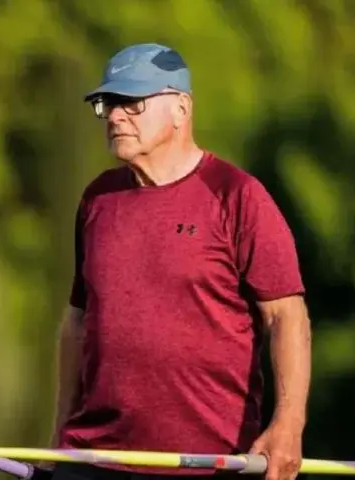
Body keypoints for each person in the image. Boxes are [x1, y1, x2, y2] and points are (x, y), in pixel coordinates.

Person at [47, 43, 312, 480]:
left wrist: (288, 424)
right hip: (93, 456)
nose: (114, 116)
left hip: (209, 462)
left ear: (180, 108)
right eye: (107, 104)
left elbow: (287, 316)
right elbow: (78, 321)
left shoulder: (237, 196)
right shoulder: (98, 199)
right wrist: (59, 435)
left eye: (131, 103)